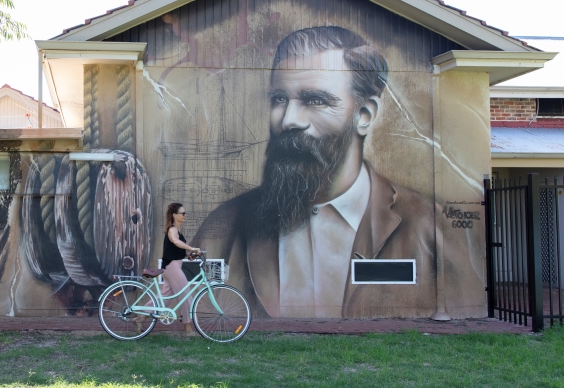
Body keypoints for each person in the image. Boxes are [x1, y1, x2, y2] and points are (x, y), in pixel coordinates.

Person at [194, 26, 481, 318]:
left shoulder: (429, 229)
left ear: (364, 115)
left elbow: (465, 313)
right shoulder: (224, 227)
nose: (289, 120)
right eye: (279, 99)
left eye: (315, 100)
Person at [147, 202, 201, 336]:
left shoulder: (177, 230)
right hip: (172, 267)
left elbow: (176, 249)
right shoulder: (172, 230)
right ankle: (187, 329)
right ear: (174, 215)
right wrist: (191, 248)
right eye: (182, 213)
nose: (185, 215)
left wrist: (189, 255)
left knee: (165, 297)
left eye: (185, 213)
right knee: (186, 295)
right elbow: (176, 242)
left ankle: (140, 318)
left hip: (172, 266)